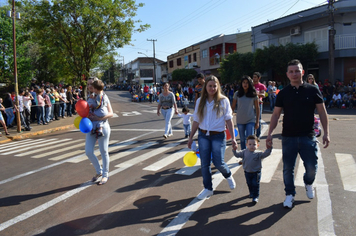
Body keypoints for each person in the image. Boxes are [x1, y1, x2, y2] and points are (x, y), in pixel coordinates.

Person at [266, 59, 330, 209]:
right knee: (288, 168)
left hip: (308, 136)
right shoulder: (283, 93)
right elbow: (275, 115)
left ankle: (308, 183)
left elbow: (322, 111)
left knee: (312, 167)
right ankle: (289, 194)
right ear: (287, 74)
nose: (294, 74)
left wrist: (326, 133)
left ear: (302, 72)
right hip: (288, 137)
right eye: (291, 71)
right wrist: (270, 134)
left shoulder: (312, 90)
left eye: (297, 71)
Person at [187, 75, 237, 200]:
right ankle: (208, 189)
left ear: (218, 87)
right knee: (204, 164)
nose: (212, 88)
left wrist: (234, 139)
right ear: (206, 87)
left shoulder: (223, 100)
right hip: (203, 135)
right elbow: (196, 120)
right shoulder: (200, 101)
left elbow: (229, 120)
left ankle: (228, 175)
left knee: (218, 162)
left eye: (215, 86)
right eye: (210, 86)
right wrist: (190, 137)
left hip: (218, 136)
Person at [85, 77, 113, 185]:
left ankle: (105, 175)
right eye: (88, 84)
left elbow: (111, 113)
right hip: (91, 127)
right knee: (88, 151)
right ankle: (99, 171)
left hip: (102, 126)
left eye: (91, 84)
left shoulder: (103, 97)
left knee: (104, 151)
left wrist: (99, 118)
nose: (89, 86)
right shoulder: (89, 97)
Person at [232, 135, 272, 203]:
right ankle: (251, 193)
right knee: (249, 183)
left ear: (257, 145)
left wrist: (269, 148)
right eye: (250, 144)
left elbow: (266, 154)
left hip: (256, 172)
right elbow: (237, 155)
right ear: (246, 145)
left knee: (255, 184)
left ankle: (255, 196)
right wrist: (234, 150)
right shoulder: (244, 152)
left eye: (254, 144)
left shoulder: (258, 153)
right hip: (247, 172)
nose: (252, 146)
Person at [231, 76, 260, 150]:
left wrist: (257, 122)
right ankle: (244, 156)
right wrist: (229, 120)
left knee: (250, 139)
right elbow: (233, 107)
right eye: (243, 82)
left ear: (250, 84)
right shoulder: (237, 93)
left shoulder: (253, 94)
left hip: (250, 120)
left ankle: (250, 155)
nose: (245, 84)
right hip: (240, 120)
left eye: (247, 83)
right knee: (242, 140)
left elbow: (257, 108)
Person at [253, 72, 266, 139]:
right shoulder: (250, 85)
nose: (254, 78)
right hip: (250, 105)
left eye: (255, 77)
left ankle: (258, 135)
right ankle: (252, 134)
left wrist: (255, 94)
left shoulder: (261, 86)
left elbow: (263, 95)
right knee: (251, 119)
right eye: (253, 77)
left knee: (258, 119)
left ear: (259, 78)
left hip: (259, 104)